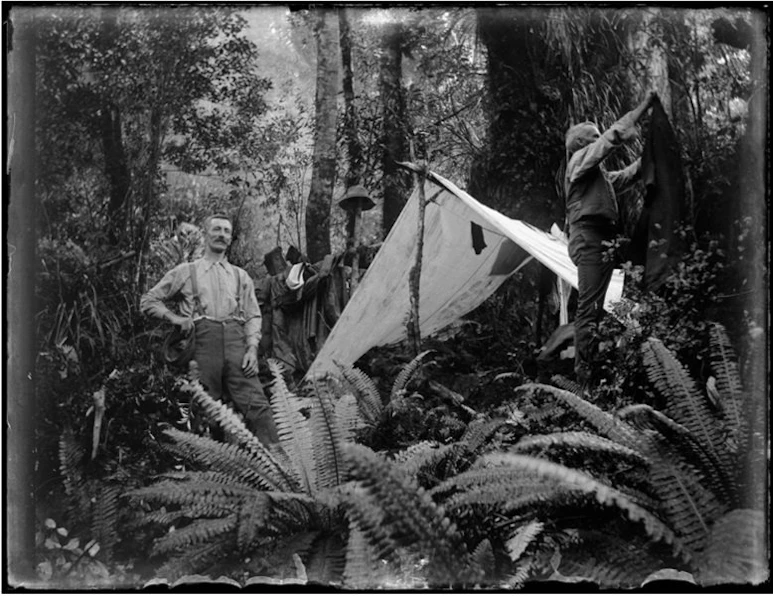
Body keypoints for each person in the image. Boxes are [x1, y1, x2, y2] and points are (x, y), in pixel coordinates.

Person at [141, 213, 280, 447]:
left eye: (226, 231)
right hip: (202, 345)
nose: (221, 235)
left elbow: (254, 315)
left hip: (237, 344)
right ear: (205, 234)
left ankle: (280, 469)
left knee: (257, 405)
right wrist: (175, 319)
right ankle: (208, 474)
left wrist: (251, 349)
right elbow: (148, 301)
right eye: (216, 229)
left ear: (230, 239)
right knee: (205, 409)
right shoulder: (186, 271)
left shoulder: (240, 276)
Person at [564, 90, 658, 388]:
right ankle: (585, 380)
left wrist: (651, 154)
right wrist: (641, 108)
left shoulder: (598, 177)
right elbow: (608, 142)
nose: (599, 138)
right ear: (581, 144)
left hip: (604, 241)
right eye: (593, 136)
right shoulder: (578, 162)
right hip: (589, 240)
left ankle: (620, 361)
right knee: (589, 308)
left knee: (614, 302)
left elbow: (629, 176)